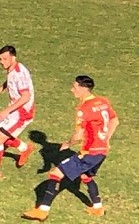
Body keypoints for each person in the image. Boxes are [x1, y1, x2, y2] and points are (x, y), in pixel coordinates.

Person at [21, 75, 120, 221]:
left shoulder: (83, 109)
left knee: (55, 174)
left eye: (74, 87)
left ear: (83, 88)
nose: (72, 90)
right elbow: (115, 121)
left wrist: (68, 144)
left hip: (89, 152)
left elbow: (79, 134)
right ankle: (98, 208)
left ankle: (42, 211)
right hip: (102, 151)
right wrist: (107, 139)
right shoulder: (103, 101)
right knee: (86, 176)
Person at [0, 45, 36, 181]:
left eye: (5, 59)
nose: (2, 62)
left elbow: (26, 97)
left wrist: (6, 111)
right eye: (0, 59)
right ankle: (24, 148)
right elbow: (11, 80)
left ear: (13, 57)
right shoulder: (13, 68)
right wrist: (2, 87)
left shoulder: (19, 74)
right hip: (15, 109)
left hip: (22, 112)